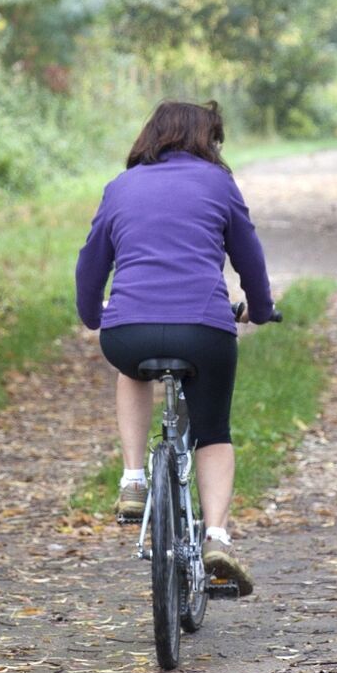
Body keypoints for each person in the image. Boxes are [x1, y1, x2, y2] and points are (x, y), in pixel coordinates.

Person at [74, 99, 275, 595]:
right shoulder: (219, 183)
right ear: (208, 141)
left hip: (129, 333)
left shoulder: (120, 186)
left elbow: (90, 264)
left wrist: (95, 316)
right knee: (214, 432)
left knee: (132, 369)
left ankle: (133, 478)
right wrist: (260, 309)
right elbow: (249, 258)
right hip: (204, 331)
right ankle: (217, 538)